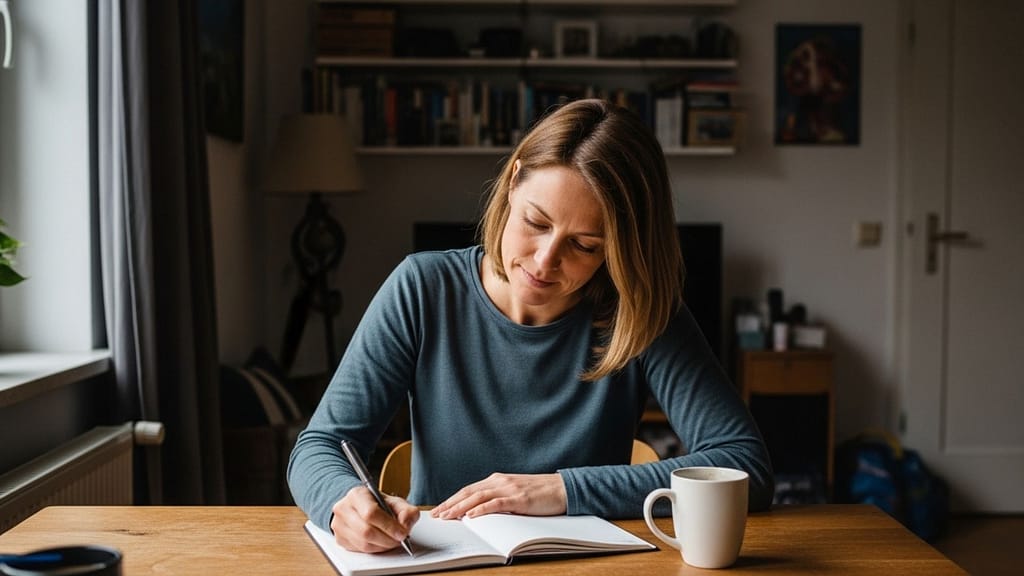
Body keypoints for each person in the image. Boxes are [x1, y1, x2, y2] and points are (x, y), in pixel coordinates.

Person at [288, 98, 774, 554]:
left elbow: (744, 464)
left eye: (584, 246)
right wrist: (342, 504)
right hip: (444, 562)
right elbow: (320, 447)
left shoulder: (641, 311)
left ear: (619, 250)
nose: (544, 262)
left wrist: (561, 488)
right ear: (513, 181)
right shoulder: (423, 288)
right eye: (536, 223)